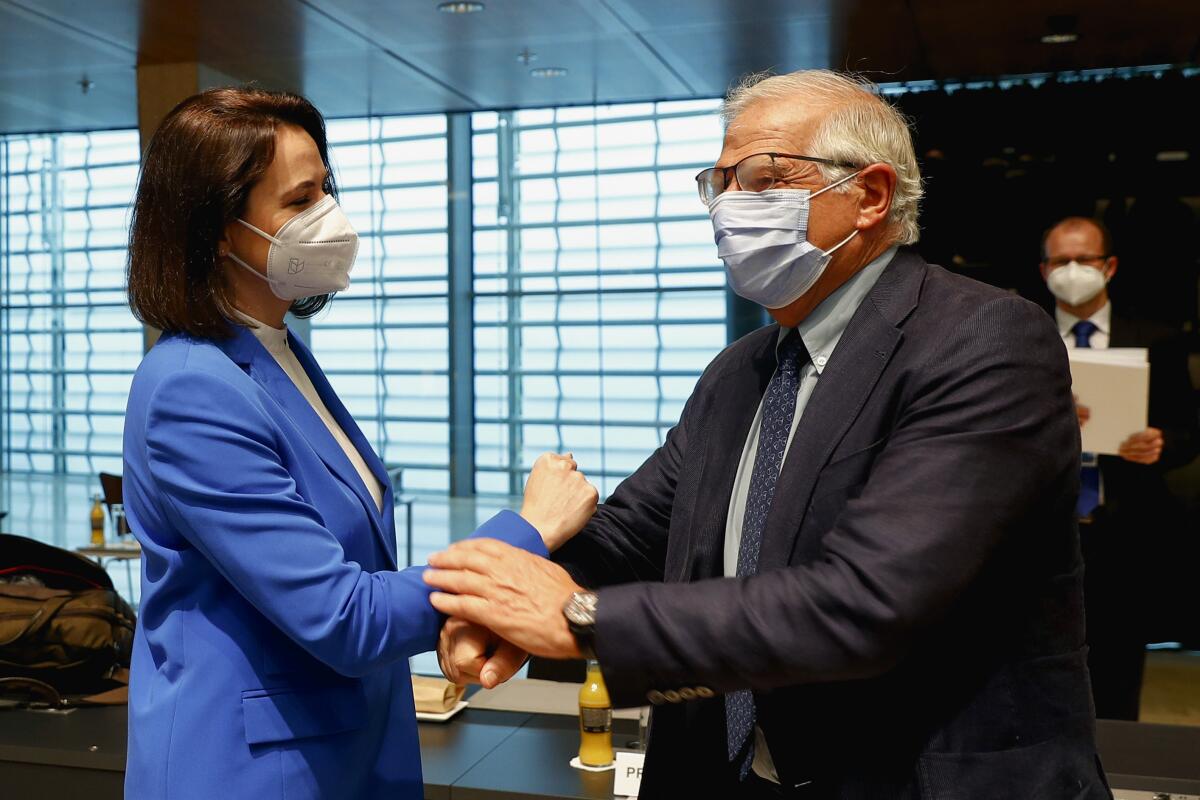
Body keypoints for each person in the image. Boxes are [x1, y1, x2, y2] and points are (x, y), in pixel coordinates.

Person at [424, 70, 1111, 799]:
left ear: (870, 196)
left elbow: (867, 601)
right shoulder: (741, 370)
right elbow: (634, 535)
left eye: (762, 180)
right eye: (720, 184)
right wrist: (497, 609)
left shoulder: (982, 340)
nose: (729, 209)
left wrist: (581, 620)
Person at [121, 87, 597, 799]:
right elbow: (343, 615)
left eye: (325, 190)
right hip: (251, 771)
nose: (328, 218)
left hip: (341, 749)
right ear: (219, 228)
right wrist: (525, 532)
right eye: (299, 199)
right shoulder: (193, 387)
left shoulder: (275, 355)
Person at [1041, 216, 1200, 720]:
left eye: (1083, 260)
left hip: (1127, 526)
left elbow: (1188, 429)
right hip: (1042, 526)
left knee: (1119, 668)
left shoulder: (1157, 338)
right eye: (1059, 261)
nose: (1071, 271)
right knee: (1040, 665)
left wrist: (1162, 442)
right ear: (1043, 270)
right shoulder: (1024, 332)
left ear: (1108, 266)